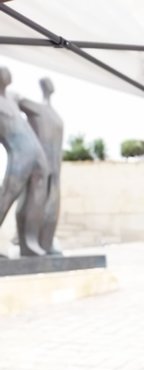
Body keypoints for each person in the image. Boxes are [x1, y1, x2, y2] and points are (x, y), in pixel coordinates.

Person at [0, 66, 48, 257]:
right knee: (7, 196)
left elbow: (38, 110)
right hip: (19, 154)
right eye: (3, 71)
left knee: (35, 197)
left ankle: (28, 242)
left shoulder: (12, 97)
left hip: (36, 153)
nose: (7, 73)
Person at [19, 77, 64, 255]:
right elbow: (15, 101)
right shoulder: (36, 108)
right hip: (39, 165)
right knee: (34, 203)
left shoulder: (54, 113)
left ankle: (47, 242)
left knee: (52, 206)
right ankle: (28, 242)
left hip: (55, 166)